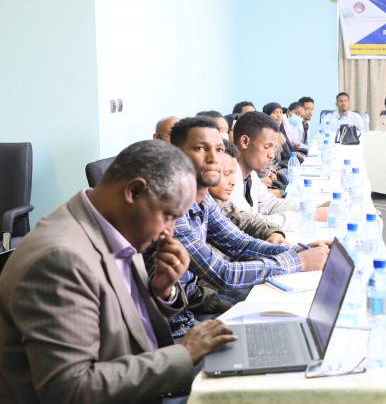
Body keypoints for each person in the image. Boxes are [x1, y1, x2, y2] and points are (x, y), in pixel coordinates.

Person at [0, 140, 237, 403]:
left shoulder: (115, 225)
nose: (169, 231)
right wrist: (184, 354)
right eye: (168, 215)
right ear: (134, 191)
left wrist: (161, 289)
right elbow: (70, 390)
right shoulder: (61, 259)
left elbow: (124, 321)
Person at [162, 116, 329, 337]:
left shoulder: (203, 200)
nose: (214, 158)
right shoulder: (173, 209)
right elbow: (224, 274)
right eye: (201, 148)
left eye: (219, 150)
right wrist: (298, 262)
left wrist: (298, 249)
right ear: (176, 156)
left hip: (194, 310)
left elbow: (239, 243)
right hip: (179, 328)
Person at [232, 111, 328, 231]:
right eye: (266, 147)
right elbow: (251, 224)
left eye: (273, 148)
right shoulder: (229, 179)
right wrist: (311, 215)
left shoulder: (250, 174)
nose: (272, 155)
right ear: (245, 142)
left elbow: (272, 205)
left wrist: (314, 207)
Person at [210, 140, 287, 245]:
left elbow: (245, 222)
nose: (233, 182)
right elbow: (237, 248)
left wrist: (273, 232)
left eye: (233, 174)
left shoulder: (216, 203)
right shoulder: (190, 213)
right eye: (227, 173)